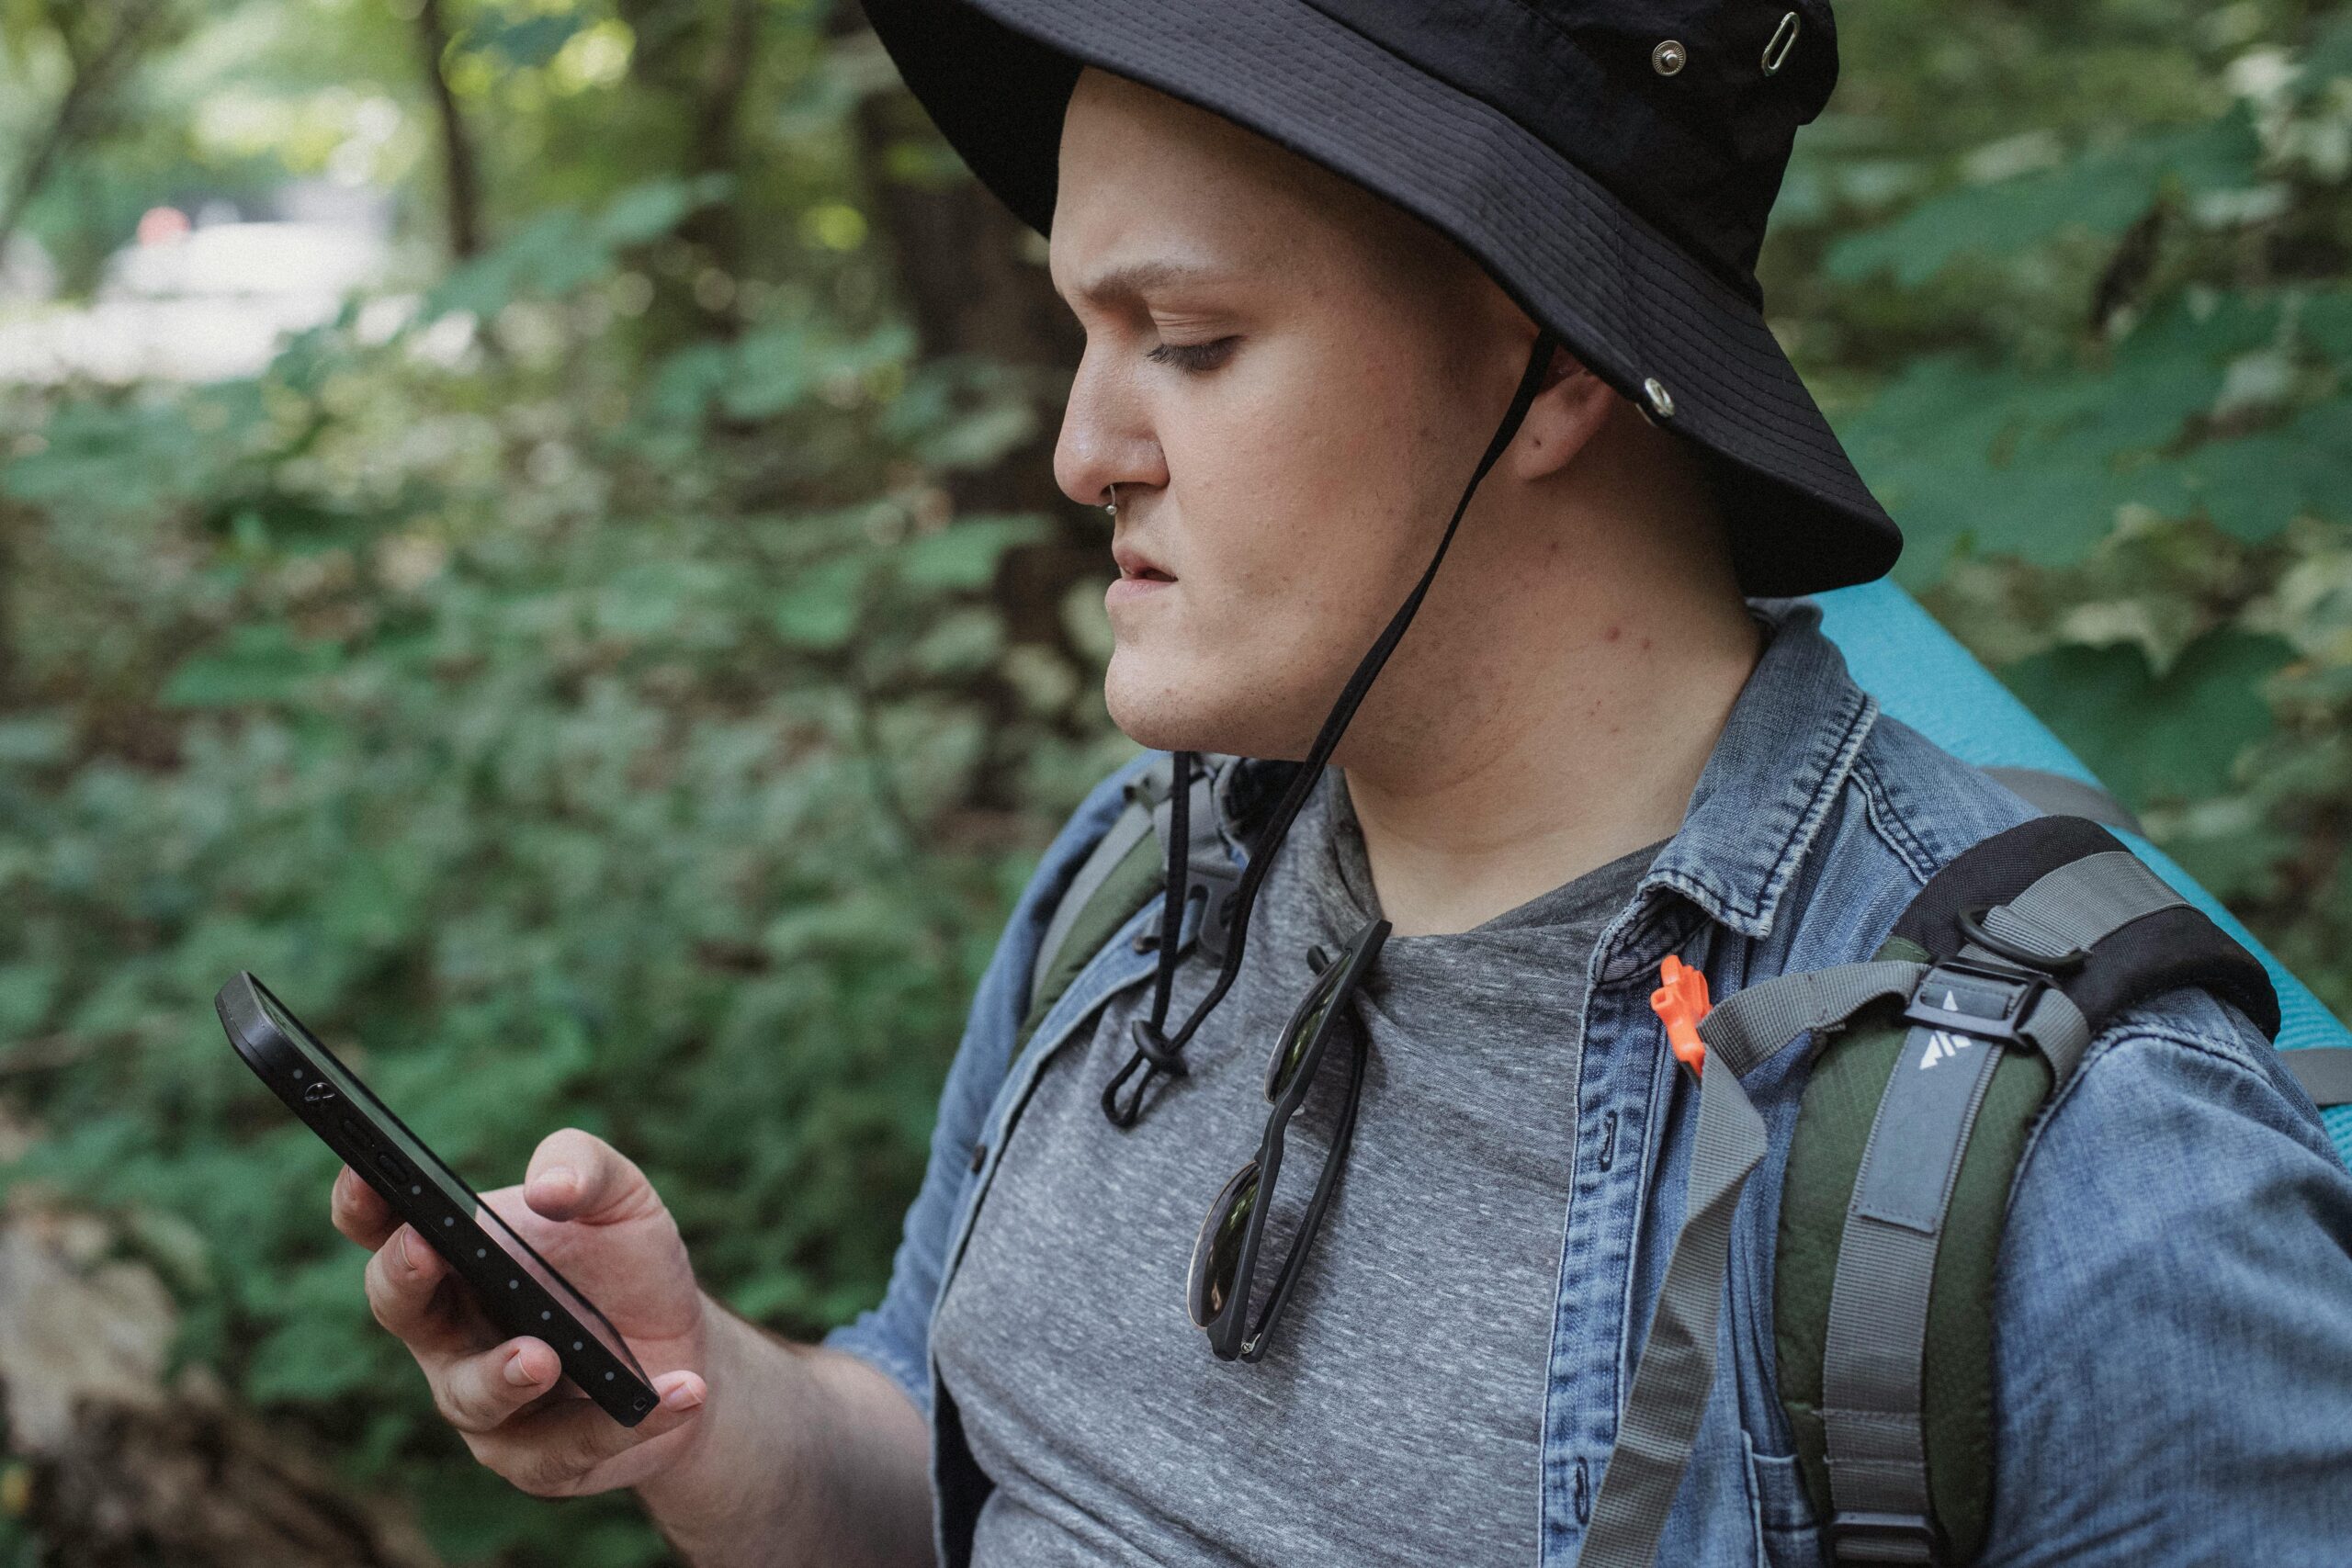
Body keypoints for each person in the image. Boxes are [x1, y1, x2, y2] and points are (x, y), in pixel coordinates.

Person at [331, 4, 2352, 1565]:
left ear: (1549, 363)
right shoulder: (1141, 891)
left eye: (1187, 340)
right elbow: (962, 1478)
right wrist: (691, 1397)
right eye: (1081, 331)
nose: (1078, 446)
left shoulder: (2078, 1182)